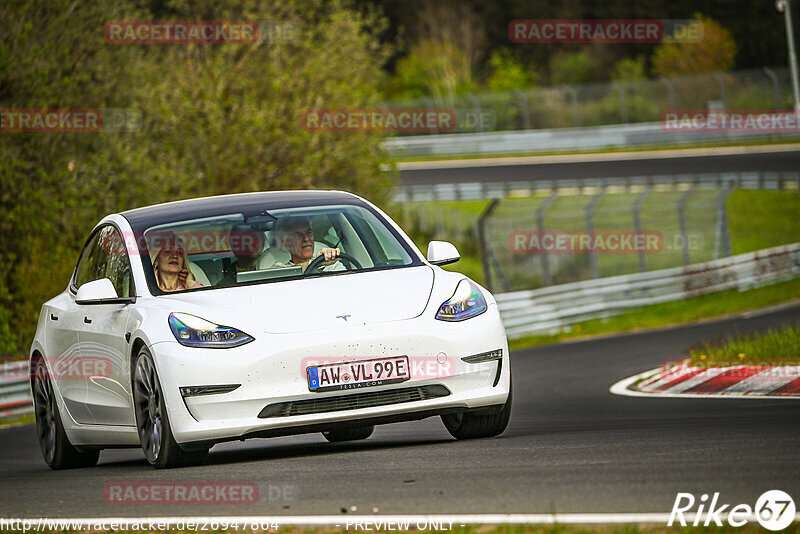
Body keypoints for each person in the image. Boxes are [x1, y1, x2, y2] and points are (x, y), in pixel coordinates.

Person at [272, 216, 342, 273]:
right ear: (287, 244)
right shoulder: (279, 268)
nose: (306, 238)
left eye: (308, 232)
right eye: (298, 235)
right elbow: (286, 275)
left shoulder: (329, 263)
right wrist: (316, 263)